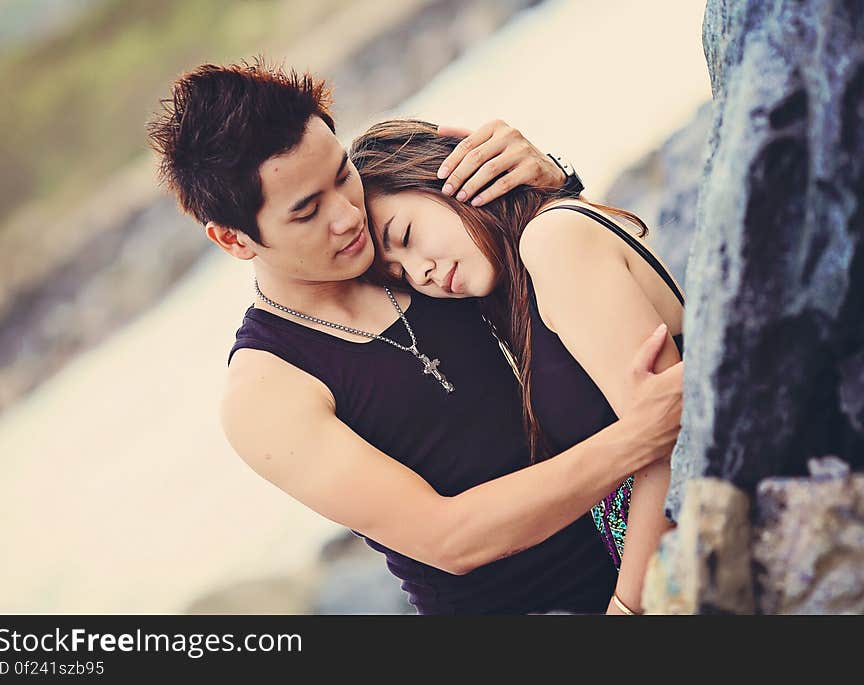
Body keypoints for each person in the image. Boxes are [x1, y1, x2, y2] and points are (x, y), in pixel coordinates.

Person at [145, 59, 684, 615]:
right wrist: (640, 436)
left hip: (635, 563)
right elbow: (450, 540)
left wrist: (547, 182)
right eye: (307, 211)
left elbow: (566, 284)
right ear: (234, 240)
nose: (347, 216)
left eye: (340, 175)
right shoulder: (267, 390)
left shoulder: (412, 236)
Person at [351, 119, 686, 615]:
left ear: (455, 178)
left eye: (405, 234)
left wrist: (628, 607)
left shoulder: (554, 240)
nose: (418, 270)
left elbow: (673, 441)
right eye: (397, 273)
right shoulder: (519, 287)